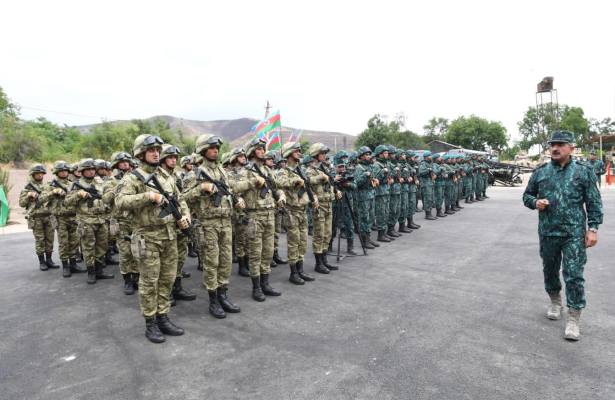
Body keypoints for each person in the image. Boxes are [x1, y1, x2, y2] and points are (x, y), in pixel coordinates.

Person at [522, 131, 603, 341]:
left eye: (561, 144)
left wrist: (592, 229)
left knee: (574, 274)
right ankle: (555, 301)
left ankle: (574, 317)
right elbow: (527, 195)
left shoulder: (583, 172)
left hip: (574, 233)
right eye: (552, 145)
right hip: (548, 232)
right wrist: (535, 203)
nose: (555, 148)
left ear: (571, 148)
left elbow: (593, 202)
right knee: (550, 270)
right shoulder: (540, 172)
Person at [116, 134, 190, 343]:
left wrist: (185, 215)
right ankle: (151, 324)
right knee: (149, 282)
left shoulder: (166, 176)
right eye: (151, 150)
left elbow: (180, 199)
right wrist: (148, 196)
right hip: (147, 237)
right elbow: (120, 201)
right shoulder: (132, 178)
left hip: (168, 235)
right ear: (141, 154)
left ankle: (163, 317)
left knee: (167, 279)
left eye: (158, 150)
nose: (156, 153)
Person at [184, 135, 243, 317]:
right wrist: (201, 189)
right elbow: (183, 197)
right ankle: (213, 300)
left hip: (226, 222)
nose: (215, 150)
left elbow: (229, 191)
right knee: (212, 263)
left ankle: (223, 294)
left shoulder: (222, 172)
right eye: (211, 147)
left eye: (217, 147)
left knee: (225, 262)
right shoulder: (195, 174)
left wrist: (237, 200)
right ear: (202, 150)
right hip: (208, 224)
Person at [238, 137, 285, 301]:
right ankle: (256, 287)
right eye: (258, 148)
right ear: (251, 151)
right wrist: (252, 181)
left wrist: (281, 196)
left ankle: (266, 284)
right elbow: (234, 188)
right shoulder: (244, 171)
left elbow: (277, 187)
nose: (262, 151)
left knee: (267, 252)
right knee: (255, 253)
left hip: (270, 215)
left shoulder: (267, 170)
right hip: (254, 216)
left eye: (263, 148)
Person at [66, 159, 115, 284]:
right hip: (86, 221)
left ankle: (99, 270)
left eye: (93, 169)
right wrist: (78, 195)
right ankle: (91, 272)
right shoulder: (76, 184)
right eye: (88, 169)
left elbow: (107, 195)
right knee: (88, 248)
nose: (91, 171)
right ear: (82, 171)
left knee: (102, 246)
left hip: (102, 219)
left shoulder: (101, 182)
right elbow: (66, 202)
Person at [276, 141, 318, 284]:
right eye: (296, 151)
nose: (299, 153)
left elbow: (306, 185)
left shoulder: (300, 170)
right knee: (293, 242)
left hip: (302, 210)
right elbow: (279, 183)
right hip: (291, 211)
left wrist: (313, 197)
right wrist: (295, 181)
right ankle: (293, 273)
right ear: (288, 154)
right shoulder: (283, 171)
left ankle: (300, 270)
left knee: (303, 241)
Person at [306, 143, 340, 273]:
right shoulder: (310, 170)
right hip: (319, 205)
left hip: (328, 203)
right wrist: (320, 177)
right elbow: (307, 183)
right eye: (322, 154)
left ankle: (325, 261)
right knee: (319, 235)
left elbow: (329, 182)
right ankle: (318, 263)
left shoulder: (324, 168)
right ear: (316, 155)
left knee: (327, 234)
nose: (325, 156)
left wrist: (335, 191)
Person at [19, 164, 59, 271]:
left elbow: (53, 200)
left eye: (41, 173)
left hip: (48, 216)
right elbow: (22, 204)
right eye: (38, 173)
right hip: (36, 218)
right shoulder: (27, 189)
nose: (40, 175)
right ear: (33, 174)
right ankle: (42, 261)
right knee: (40, 240)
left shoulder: (47, 187)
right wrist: (28, 196)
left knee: (50, 239)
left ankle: (49, 260)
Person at [49, 161, 85, 277]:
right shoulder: (51, 185)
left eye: (65, 171)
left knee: (74, 242)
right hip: (61, 218)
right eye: (61, 171)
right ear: (57, 172)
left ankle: (73, 264)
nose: (64, 172)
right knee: (64, 243)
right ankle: (65, 266)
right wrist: (52, 192)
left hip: (73, 216)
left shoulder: (73, 184)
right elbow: (42, 199)